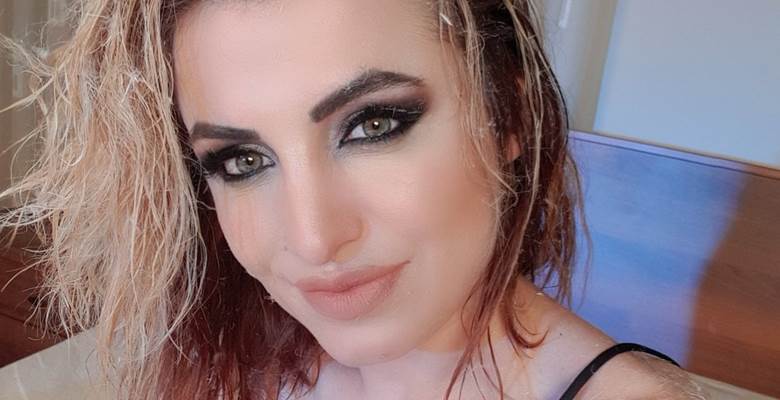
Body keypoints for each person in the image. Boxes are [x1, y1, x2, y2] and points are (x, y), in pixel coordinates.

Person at [0, 0, 707, 399]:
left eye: (373, 125)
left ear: (508, 119)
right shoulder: (239, 361)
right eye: (242, 161)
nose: (312, 239)